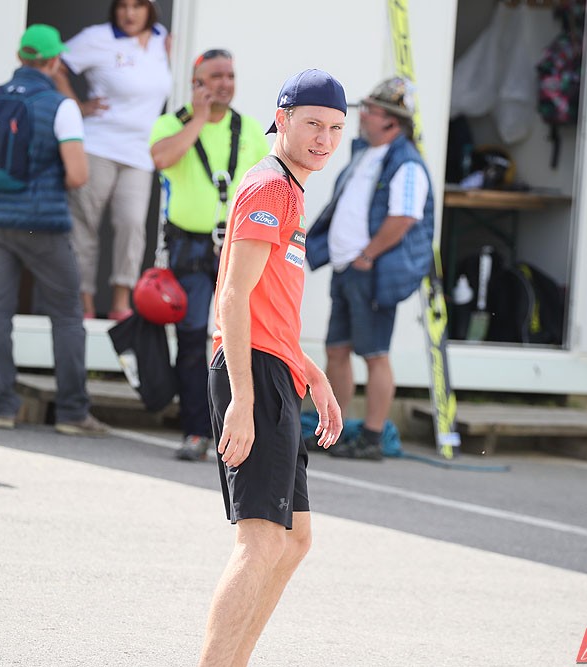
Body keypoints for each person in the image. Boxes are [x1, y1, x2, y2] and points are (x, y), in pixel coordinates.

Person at [198, 69, 346, 667]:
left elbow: (269, 309)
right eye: (312, 124)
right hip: (252, 372)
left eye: (335, 128)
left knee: (294, 540)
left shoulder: (290, 190)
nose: (324, 139)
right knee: (260, 540)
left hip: (275, 367)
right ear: (282, 120)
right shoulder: (268, 189)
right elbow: (233, 297)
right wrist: (243, 398)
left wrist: (314, 374)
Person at [0, 24, 112, 437]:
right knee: (67, 315)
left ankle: (2, 406)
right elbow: (78, 175)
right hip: (41, 227)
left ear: (20, 57)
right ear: (55, 60)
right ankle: (72, 413)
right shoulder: (61, 107)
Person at [149, 49, 270, 461]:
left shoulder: (249, 129)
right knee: (191, 338)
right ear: (196, 82)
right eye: (215, 76)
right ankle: (197, 431)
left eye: (230, 75)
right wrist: (199, 119)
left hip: (239, 244)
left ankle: (245, 430)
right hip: (190, 246)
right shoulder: (173, 124)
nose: (225, 83)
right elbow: (161, 158)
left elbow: (270, 183)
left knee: (245, 337)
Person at [305, 77, 435, 460]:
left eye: (372, 111)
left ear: (392, 121)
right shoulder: (368, 153)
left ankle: (373, 437)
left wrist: (367, 256)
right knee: (336, 350)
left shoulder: (407, 163)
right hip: (348, 268)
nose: (362, 116)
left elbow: (404, 218)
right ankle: (335, 431)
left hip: (371, 272)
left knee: (375, 354)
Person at [54, 0, 172, 320]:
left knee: (132, 225)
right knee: (84, 225)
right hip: (98, 147)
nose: (129, 13)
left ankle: (121, 302)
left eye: (137, 5)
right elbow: (56, 64)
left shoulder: (163, 39)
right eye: (122, 5)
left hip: (140, 153)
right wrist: (77, 106)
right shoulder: (98, 37)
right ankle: (84, 303)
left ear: (150, 8)